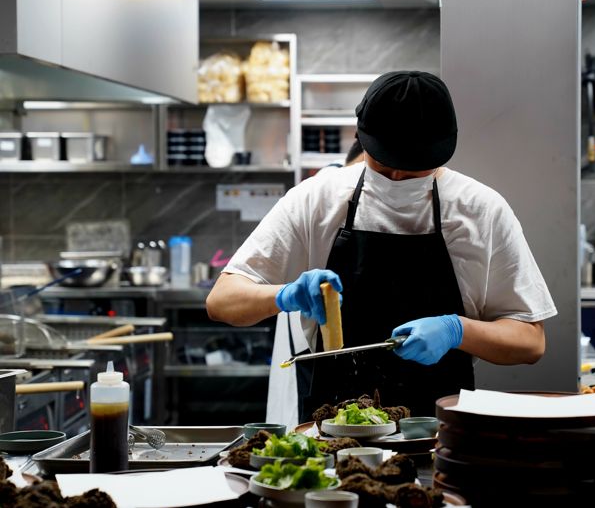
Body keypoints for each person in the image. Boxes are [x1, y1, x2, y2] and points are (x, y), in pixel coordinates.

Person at [207, 71, 556, 420]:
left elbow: (530, 342)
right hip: (335, 432)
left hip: (439, 434)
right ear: (362, 139)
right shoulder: (316, 199)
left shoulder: (481, 210)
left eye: (414, 169)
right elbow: (222, 301)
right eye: (385, 165)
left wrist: (458, 330)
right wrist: (285, 295)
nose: (398, 179)